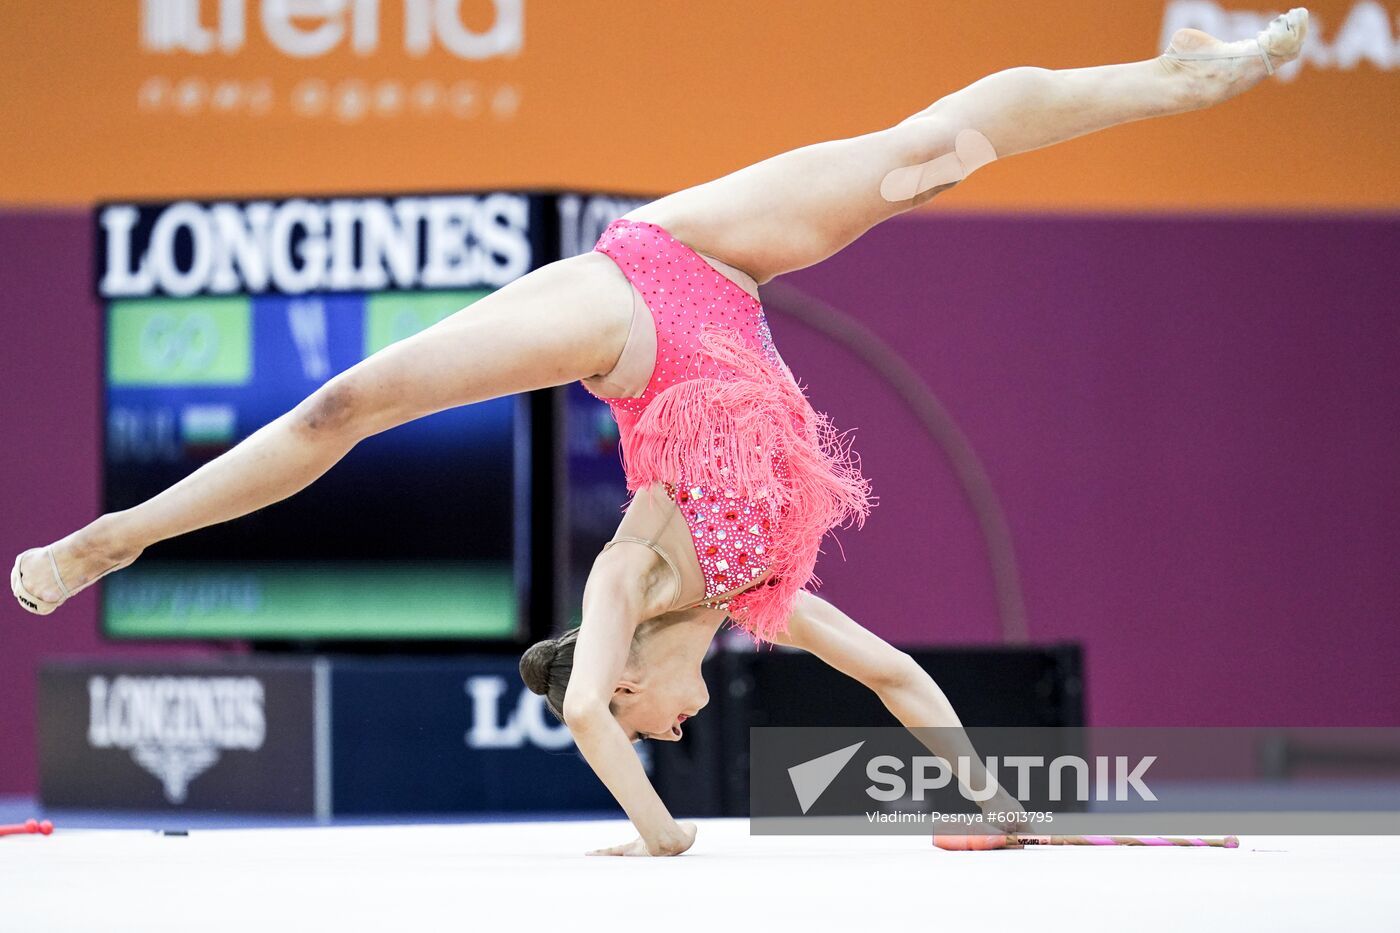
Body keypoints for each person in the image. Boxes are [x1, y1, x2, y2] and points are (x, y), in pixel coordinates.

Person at [15, 11, 1309, 856]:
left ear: (628, 675)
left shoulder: (624, 580)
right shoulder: (764, 596)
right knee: (345, 405)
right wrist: (994, 805)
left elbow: (583, 706)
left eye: (655, 725)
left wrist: (657, 827)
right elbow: (903, 680)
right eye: (664, 740)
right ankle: (119, 537)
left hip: (643, 288)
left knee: (930, 152)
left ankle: (1182, 77)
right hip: (717, 294)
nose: (669, 726)